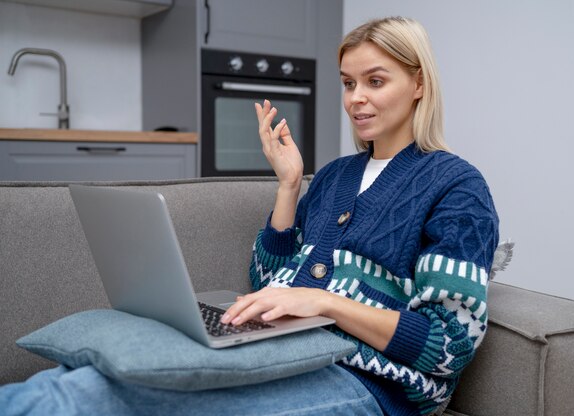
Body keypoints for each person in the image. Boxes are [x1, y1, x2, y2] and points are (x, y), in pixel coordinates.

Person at [0, 16, 498, 416]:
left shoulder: (456, 187)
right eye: (348, 83)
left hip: (364, 380)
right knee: (74, 380)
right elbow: (267, 283)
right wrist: (288, 185)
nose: (355, 98)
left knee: (84, 400)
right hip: (284, 349)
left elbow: (448, 345)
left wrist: (325, 303)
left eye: (375, 81)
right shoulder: (334, 177)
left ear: (418, 83)